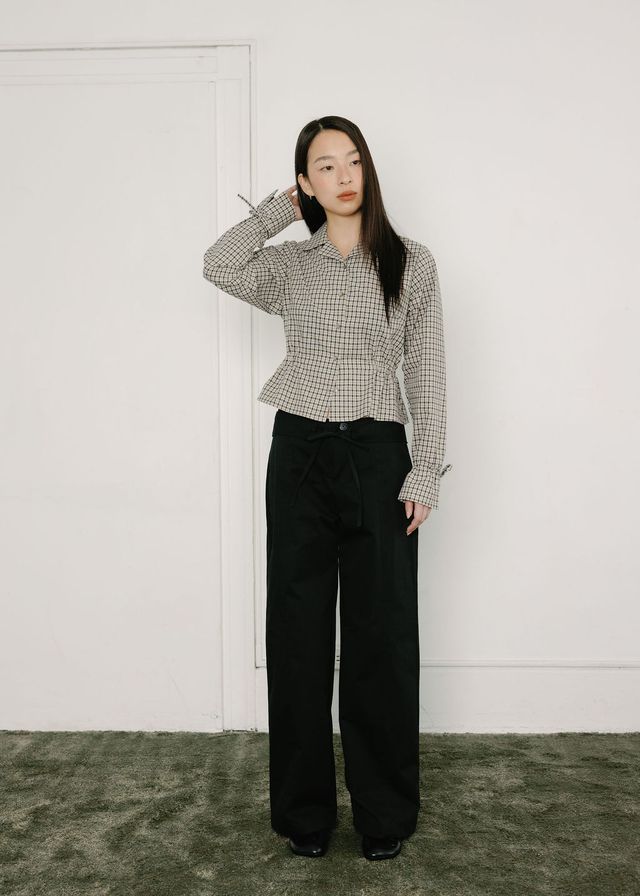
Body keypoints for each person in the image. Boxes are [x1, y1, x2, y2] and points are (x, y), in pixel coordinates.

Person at [202, 115, 452, 861]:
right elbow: (218, 263)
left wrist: (426, 467)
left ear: (368, 170)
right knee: (298, 633)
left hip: (379, 454)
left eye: (353, 162)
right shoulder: (289, 265)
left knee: (383, 636)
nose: (344, 177)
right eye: (325, 166)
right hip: (302, 452)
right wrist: (279, 210)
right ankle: (304, 814)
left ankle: (384, 815)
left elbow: (427, 370)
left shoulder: (411, 262)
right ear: (307, 182)